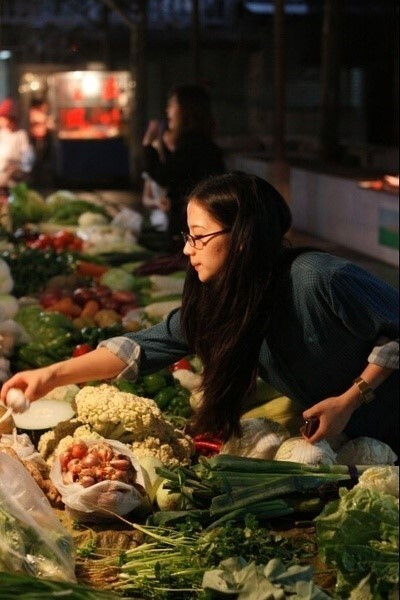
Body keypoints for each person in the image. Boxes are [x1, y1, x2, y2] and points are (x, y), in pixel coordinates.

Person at [1, 173, 398, 452]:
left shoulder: (319, 277)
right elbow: (143, 347)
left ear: (241, 238)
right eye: (187, 236)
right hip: (360, 436)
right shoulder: (227, 298)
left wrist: (351, 397)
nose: (188, 249)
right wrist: (51, 375)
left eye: (199, 236)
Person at [142, 84, 225, 251]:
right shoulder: (200, 146)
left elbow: (164, 176)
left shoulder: (194, 148)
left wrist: (147, 146)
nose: (168, 111)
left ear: (187, 110)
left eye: (172, 104)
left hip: (194, 233)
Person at [0, 98, 35, 189]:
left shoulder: (20, 135)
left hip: (15, 173)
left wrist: (23, 168)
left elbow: (28, 156)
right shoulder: (1, 134)